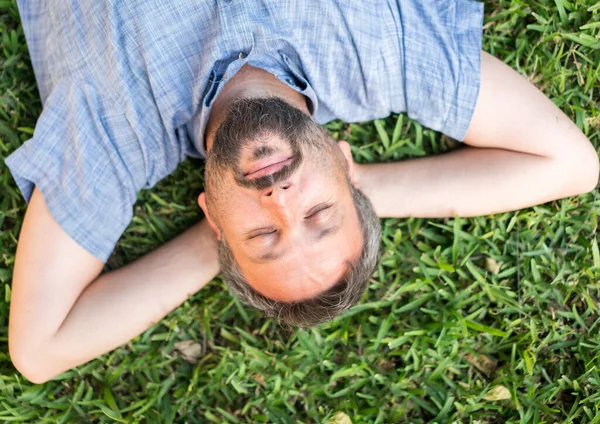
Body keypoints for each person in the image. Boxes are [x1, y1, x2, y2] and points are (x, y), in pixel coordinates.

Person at [5, 0, 598, 384]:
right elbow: (571, 165)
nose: (281, 199)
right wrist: (365, 193)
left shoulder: (116, 133)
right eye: (319, 210)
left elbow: (40, 350)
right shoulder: (379, 51)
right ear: (345, 163)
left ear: (212, 218)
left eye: (263, 234)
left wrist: (224, 246)